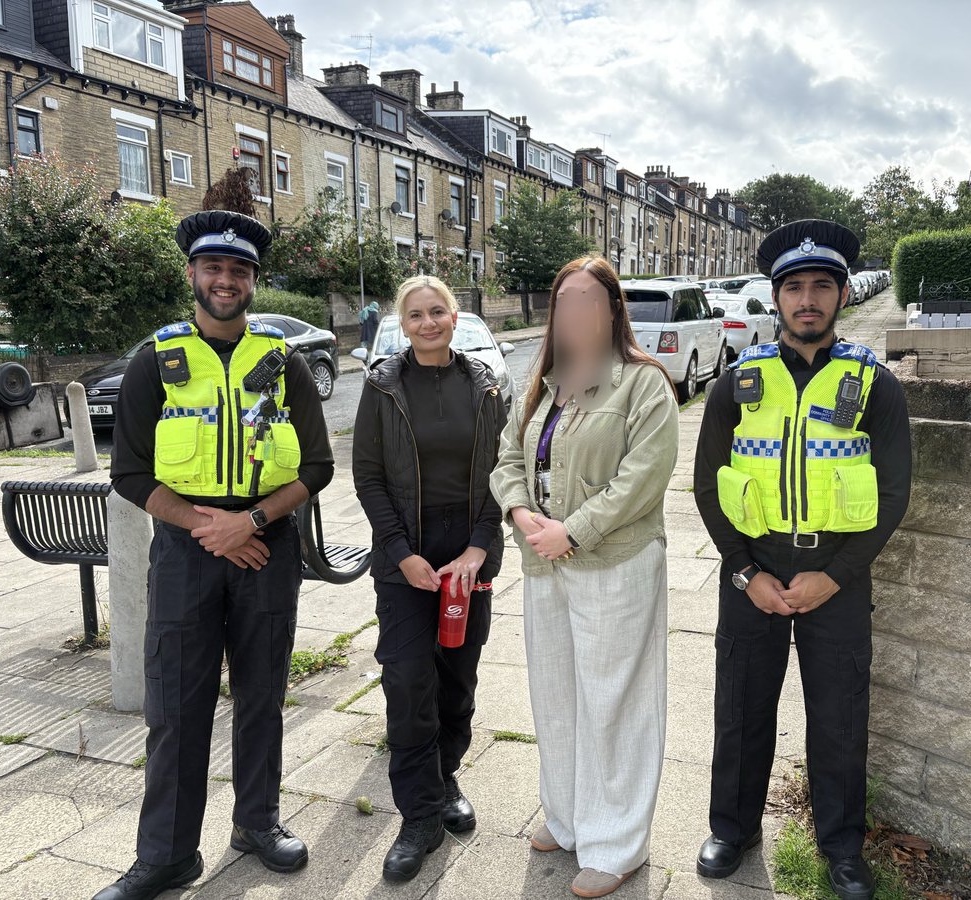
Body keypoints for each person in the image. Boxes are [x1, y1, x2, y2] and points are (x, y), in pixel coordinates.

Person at [99, 210, 335, 900]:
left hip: (267, 546)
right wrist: (210, 529)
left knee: (262, 695)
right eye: (213, 268)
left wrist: (250, 521)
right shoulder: (157, 361)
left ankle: (256, 824)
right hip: (186, 552)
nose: (225, 280)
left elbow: (317, 466)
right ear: (193, 274)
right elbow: (130, 473)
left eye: (238, 270)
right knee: (176, 707)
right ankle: (167, 855)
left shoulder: (283, 362)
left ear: (253, 281)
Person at [692, 220, 911, 900]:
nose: (807, 299)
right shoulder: (739, 379)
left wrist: (834, 577)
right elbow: (707, 484)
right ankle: (733, 830)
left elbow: (894, 494)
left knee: (840, 717)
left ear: (843, 295)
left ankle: (841, 847)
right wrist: (744, 572)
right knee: (741, 707)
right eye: (794, 288)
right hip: (753, 568)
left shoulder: (873, 384)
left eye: (821, 286)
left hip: (836, 573)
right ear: (776, 298)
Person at [490, 257, 680, 899]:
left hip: (613, 563)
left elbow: (642, 479)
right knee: (556, 694)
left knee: (614, 702)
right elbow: (508, 458)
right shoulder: (543, 383)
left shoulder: (643, 385)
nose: (573, 312)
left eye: (588, 300)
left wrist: (571, 531)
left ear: (612, 310)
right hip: (544, 563)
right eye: (564, 300)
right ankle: (569, 818)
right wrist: (522, 515)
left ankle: (616, 843)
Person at [352, 275, 506, 883]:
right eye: (415, 314)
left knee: (457, 678)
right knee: (408, 680)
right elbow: (368, 476)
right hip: (405, 558)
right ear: (402, 324)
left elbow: (506, 472)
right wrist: (400, 553)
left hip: (467, 556)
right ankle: (419, 815)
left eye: (437, 311)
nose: (427, 323)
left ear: (454, 316)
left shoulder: (485, 386)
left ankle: (446, 778)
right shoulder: (381, 386)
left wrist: (477, 548)